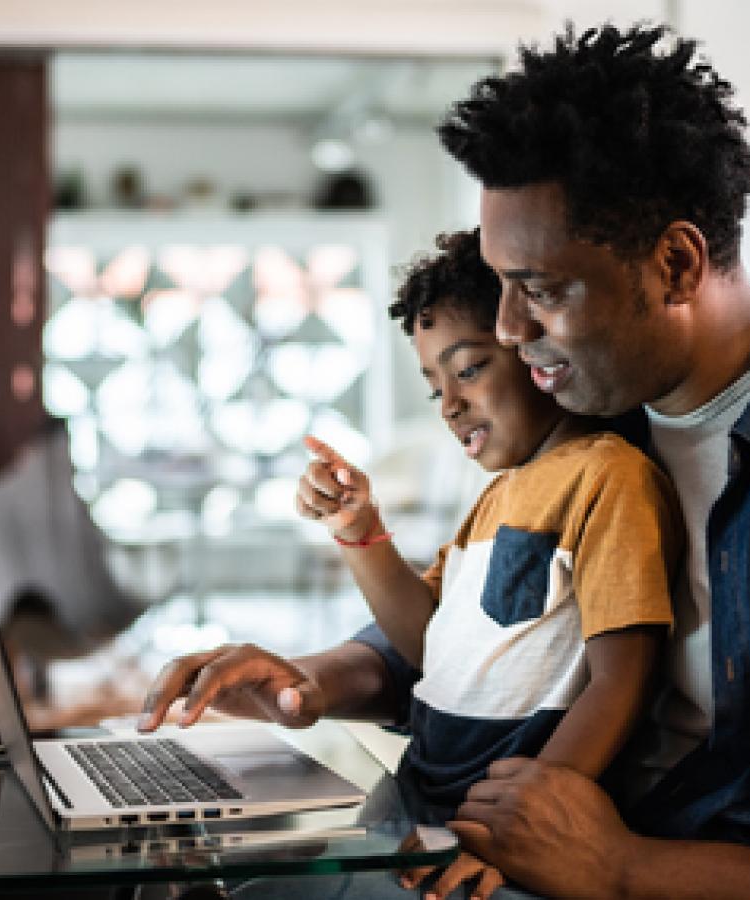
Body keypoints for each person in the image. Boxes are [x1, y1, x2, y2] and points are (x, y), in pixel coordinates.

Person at [142, 23, 750, 899]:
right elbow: (479, 629)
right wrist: (309, 683)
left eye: (540, 290)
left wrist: (624, 871)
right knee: (186, 873)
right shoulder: (598, 420)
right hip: (514, 852)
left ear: (674, 264)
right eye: (501, 286)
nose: (507, 330)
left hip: (632, 873)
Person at [147, 229, 677, 899]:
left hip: (487, 838)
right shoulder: (499, 495)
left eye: (470, 368)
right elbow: (429, 644)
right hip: (414, 802)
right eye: (435, 388)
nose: (451, 405)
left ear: (538, 347)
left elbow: (621, 679)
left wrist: (522, 827)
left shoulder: (609, 477)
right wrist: (359, 532)